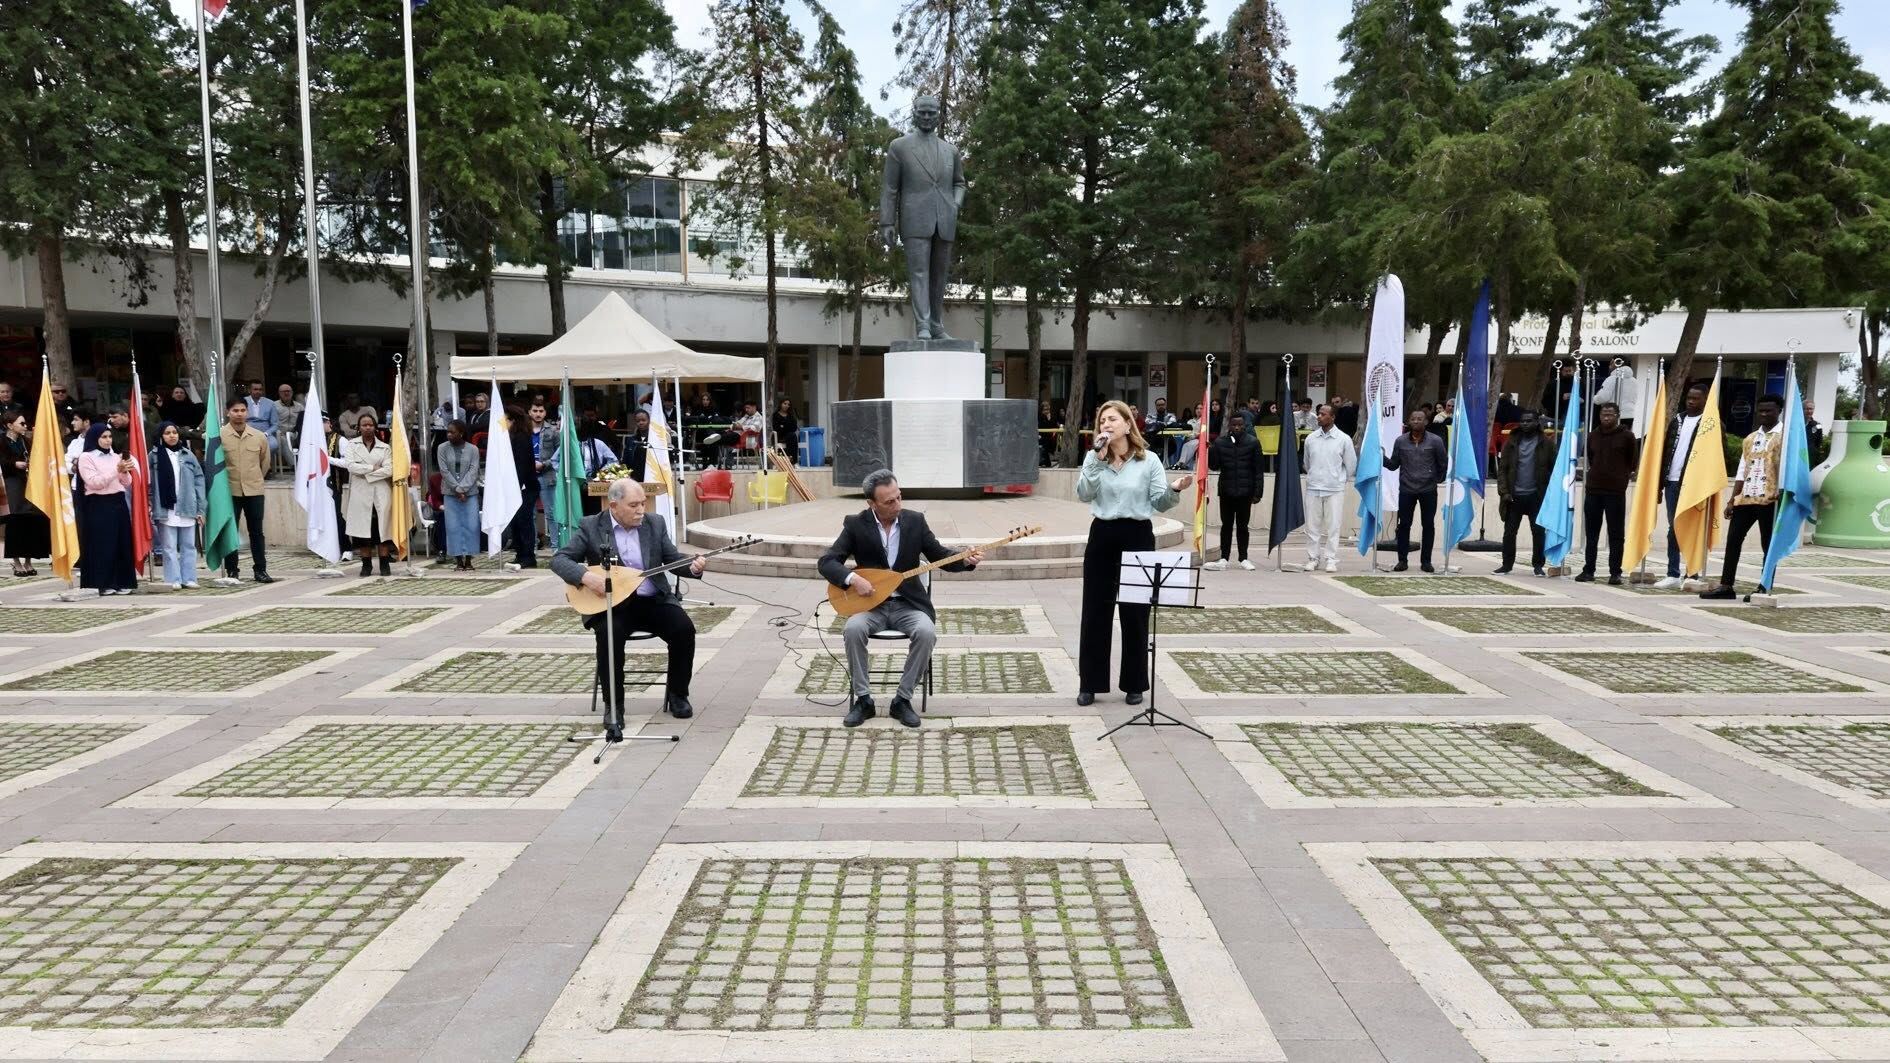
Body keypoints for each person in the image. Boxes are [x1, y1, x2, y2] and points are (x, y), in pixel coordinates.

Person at [820, 469, 983, 729]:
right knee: (852, 630)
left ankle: (902, 700)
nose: (897, 504)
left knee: (926, 632)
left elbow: (939, 556)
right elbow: (827, 562)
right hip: (871, 606)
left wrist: (965, 560)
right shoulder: (855, 524)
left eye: (899, 497)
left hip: (909, 604)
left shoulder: (915, 521)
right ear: (872, 503)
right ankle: (863, 700)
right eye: (889, 501)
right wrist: (853, 579)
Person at [551, 478, 705, 720]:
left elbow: (672, 559)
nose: (641, 510)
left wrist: (692, 567)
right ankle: (614, 706)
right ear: (613, 506)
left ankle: (678, 694)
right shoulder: (592, 526)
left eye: (643, 503)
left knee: (684, 630)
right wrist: (586, 577)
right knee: (608, 635)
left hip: (653, 600)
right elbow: (559, 560)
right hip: (613, 605)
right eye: (634, 505)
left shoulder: (654, 523)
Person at [1075, 399, 1191, 706]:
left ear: (1128, 425)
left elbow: (1160, 502)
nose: (1106, 425)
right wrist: (1097, 460)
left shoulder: (1148, 460)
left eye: (1112, 419)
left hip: (1137, 534)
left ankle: (1135, 683)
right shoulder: (1094, 457)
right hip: (1102, 535)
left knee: (1135, 612)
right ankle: (1090, 683)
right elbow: (1084, 494)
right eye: (1102, 421)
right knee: (1095, 612)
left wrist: (1174, 489)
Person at [1702, 393, 1785, 599]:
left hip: (1771, 499)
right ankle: (1726, 585)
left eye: (1769, 411)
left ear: (1779, 411)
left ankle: (1764, 587)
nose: (1764, 414)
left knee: (1768, 545)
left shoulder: (1786, 437)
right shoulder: (1750, 438)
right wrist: (1732, 499)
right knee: (1733, 540)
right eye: (1761, 411)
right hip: (1746, 497)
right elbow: (1742, 469)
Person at [1576, 401, 1638, 584]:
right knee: (1591, 533)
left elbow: (1632, 461)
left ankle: (1615, 572)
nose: (1606, 418)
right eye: (1603, 414)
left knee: (1616, 534)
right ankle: (1589, 570)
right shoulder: (1593, 435)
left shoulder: (1627, 436)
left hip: (1615, 491)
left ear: (1617, 416)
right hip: (1594, 489)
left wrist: (1621, 477)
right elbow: (1591, 457)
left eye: (1610, 414)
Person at [1654, 384, 1709, 590]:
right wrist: (1659, 484)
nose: (1691, 401)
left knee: (1692, 528)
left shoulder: (1710, 422)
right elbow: (1664, 451)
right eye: (1689, 398)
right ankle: (1672, 573)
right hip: (1672, 482)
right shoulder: (1677, 420)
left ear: (1705, 399)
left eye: (1696, 398)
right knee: (1674, 528)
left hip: (1694, 485)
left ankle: (1692, 573)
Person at [75, 424, 137, 595]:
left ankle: (122, 581)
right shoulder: (86, 457)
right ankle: (103, 582)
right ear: (95, 438)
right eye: (104, 437)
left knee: (121, 542)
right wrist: (116, 470)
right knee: (103, 544)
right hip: (98, 503)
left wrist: (124, 471)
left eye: (109, 436)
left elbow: (126, 482)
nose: (108, 440)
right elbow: (95, 482)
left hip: (118, 501)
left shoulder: (115, 456)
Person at [1384, 408, 1448, 572]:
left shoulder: (1436, 441)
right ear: (1409, 421)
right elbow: (1393, 465)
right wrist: (1381, 457)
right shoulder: (1400, 441)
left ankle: (1426, 561)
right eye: (1413, 418)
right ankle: (1402, 561)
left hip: (1428, 490)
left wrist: (1436, 479)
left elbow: (1443, 463)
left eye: (1420, 419)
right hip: (1407, 489)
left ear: (1426, 422)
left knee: (1428, 525)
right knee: (1404, 525)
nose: (1416, 421)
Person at [218, 398, 273, 582]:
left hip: (254, 490)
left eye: (242, 410)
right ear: (228, 412)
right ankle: (232, 570)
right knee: (230, 531)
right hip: (229, 491)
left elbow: (265, 463)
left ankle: (260, 570)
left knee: (256, 532)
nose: (239, 414)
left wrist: (255, 478)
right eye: (235, 410)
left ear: (247, 412)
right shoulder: (220, 436)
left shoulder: (258, 436)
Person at [1494, 410, 1554, 576]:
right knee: (1509, 532)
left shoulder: (1547, 444)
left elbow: (1554, 469)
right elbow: (1502, 470)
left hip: (1537, 495)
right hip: (1514, 496)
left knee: (1538, 532)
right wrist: (1504, 492)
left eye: (1529, 421)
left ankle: (1538, 565)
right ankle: (1506, 565)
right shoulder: (1511, 442)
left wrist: (1548, 494)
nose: (1525, 424)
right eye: (1523, 421)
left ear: (1537, 422)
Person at [148, 421, 205, 589]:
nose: (172, 436)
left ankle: (189, 578)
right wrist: (149, 503)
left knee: (189, 545)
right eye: (167, 433)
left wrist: (201, 508)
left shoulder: (188, 455)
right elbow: (148, 483)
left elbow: (199, 481)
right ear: (161, 436)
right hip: (166, 508)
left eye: (174, 432)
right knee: (169, 546)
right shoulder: (154, 456)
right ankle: (173, 578)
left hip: (187, 505)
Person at [1301, 403, 1355, 573]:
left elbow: (1351, 465)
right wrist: (1314, 476)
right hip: (1313, 488)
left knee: (1333, 526)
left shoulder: (1343, 439)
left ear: (1332, 417)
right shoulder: (1310, 439)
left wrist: (1338, 479)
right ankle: (1313, 558)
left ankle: (1331, 559)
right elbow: (1307, 463)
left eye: (1323, 414)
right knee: (1312, 527)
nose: (1319, 416)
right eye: (1318, 413)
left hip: (1334, 489)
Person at [1204, 412, 1262, 571]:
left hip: (1245, 491)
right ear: (1229, 426)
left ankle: (1243, 558)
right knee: (1226, 526)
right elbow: (1214, 466)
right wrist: (1211, 450)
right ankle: (1224, 557)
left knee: (1243, 526)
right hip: (1226, 491)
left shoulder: (1253, 442)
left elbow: (1258, 470)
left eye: (1240, 425)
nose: (1237, 427)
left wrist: (1258, 492)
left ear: (1244, 426)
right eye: (1234, 425)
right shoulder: (1220, 442)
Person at [343, 412, 396, 577]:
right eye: (364, 425)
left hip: (381, 492)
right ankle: (366, 565)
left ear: (375, 427)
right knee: (362, 533)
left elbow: (389, 470)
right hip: (360, 493)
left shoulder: (385, 447)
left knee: (382, 531)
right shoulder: (352, 445)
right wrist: (373, 468)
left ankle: (384, 564)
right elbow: (351, 466)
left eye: (370, 425)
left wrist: (365, 473)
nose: (367, 427)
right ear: (359, 428)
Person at [3, 411, 48, 576]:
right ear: (10, 425)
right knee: (15, 521)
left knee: (32, 519)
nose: (25, 426)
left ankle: (28, 560)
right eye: (21, 423)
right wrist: (14, 464)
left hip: (29, 483)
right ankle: (16, 561)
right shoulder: (2, 441)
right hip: (12, 484)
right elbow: (3, 461)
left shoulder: (25, 441)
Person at [436, 420, 480, 571]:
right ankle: (458, 560)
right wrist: (456, 489)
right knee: (453, 527)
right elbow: (444, 471)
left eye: (452, 432)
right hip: (450, 493)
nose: (449, 435)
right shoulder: (442, 448)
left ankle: (469, 559)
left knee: (471, 526)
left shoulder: (473, 449)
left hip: (470, 494)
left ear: (461, 433)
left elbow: (473, 470)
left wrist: (463, 488)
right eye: (447, 432)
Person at [504, 406, 539, 569]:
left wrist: (515, 487)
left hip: (525, 487)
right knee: (516, 523)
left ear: (512, 420)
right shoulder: (511, 436)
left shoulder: (521, 437)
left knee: (524, 521)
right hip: (515, 487)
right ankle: (520, 553)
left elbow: (521, 465)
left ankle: (528, 555)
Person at [528, 400, 556, 547]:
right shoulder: (524, 430)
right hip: (528, 476)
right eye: (535, 411)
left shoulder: (553, 431)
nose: (538, 414)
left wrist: (544, 464)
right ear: (529, 412)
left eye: (541, 411)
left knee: (551, 513)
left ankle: (556, 547)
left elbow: (559, 454)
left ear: (545, 413)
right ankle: (531, 547)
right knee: (530, 513)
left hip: (547, 475)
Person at [1593, 362, 1638, 430]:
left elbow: (1603, 397)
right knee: (1625, 435)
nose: (1609, 366)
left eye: (1611, 363)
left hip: (1613, 415)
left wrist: (1595, 398)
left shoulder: (1611, 379)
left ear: (1617, 363)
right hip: (1629, 414)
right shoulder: (1634, 381)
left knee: (1611, 435)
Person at [244, 380, 279, 464]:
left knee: (273, 445)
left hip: (265, 433)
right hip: (247, 432)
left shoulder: (270, 403)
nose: (258, 392)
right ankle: (254, 466)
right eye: (255, 389)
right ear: (249, 390)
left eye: (260, 389)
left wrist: (266, 433)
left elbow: (275, 424)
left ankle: (262, 466)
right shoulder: (243, 401)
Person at [275, 383, 304, 450]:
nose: (286, 393)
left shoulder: (300, 407)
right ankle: (292, 458)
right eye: (284, 391)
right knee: (282, 441)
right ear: (279, 393)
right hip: (280, 435)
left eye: (288, 391)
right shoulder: (273, 406)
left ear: (292, 392)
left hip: (295, 435)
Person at [1038, 400, 1061, 466]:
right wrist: (1047, 420)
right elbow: (1042, 426)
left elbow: (1055, 425)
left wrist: (1050, 419)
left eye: (1048, 409)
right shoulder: (1039, 417)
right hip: (1041, 437)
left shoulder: (1051, 416)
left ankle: (1045, 461)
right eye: (1045, 410)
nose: (1047, 411)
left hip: (1049, 438)